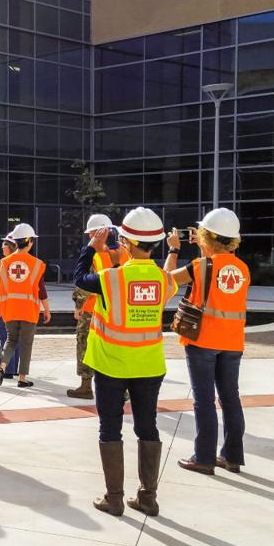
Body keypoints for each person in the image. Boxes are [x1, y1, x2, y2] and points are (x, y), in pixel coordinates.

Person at [75, 207, 177, 518]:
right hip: (149, 366)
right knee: (148, 428)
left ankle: (114, 499)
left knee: (110, 428)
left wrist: (92, 247)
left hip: (112, 365)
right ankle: (148, 497)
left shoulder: (110, 278)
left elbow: (80, 278)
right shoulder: (162, 279)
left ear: (127, 242)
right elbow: (157, 283)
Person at [165, 209, 249, 475]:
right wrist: (203, 248)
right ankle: (232, 456)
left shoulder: (202, 266)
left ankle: (204, 458)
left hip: (203, 341)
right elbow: (217, 277)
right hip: (233, 341)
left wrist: (174, 250)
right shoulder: (243, 269)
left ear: (207, 236)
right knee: (230, 399)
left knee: (204, 400)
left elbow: (166, 279)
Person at [69, 215, 126, 400]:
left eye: (91, 232)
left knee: (84, 345)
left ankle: (86, 386)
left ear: (98, 232)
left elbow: (84, 285)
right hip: (116, 310)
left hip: (91, 309)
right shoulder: (124, 252)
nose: (89, 236)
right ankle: (122, 389)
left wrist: (78, 304)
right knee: (114, 347)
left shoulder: (93, 255)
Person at [0, 223, 51, 388]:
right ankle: (22, 378)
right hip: (28, 311)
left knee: (10, 340)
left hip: (9, 309)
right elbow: (41, 291)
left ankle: (2, 366)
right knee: (26, 344)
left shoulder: (4, 263)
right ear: (30, 241)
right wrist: (46, 310)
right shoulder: (36, 264)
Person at [0, 236, 20, 380]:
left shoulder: (5, 264)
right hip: (17, 307)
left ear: (12, 246)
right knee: (15, 339)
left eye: (5, 244)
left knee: (6, 338)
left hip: (6, 307)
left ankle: (7, 369)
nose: (2, 247)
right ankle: (13, 368)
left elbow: (0, 290)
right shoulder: (22, 264)